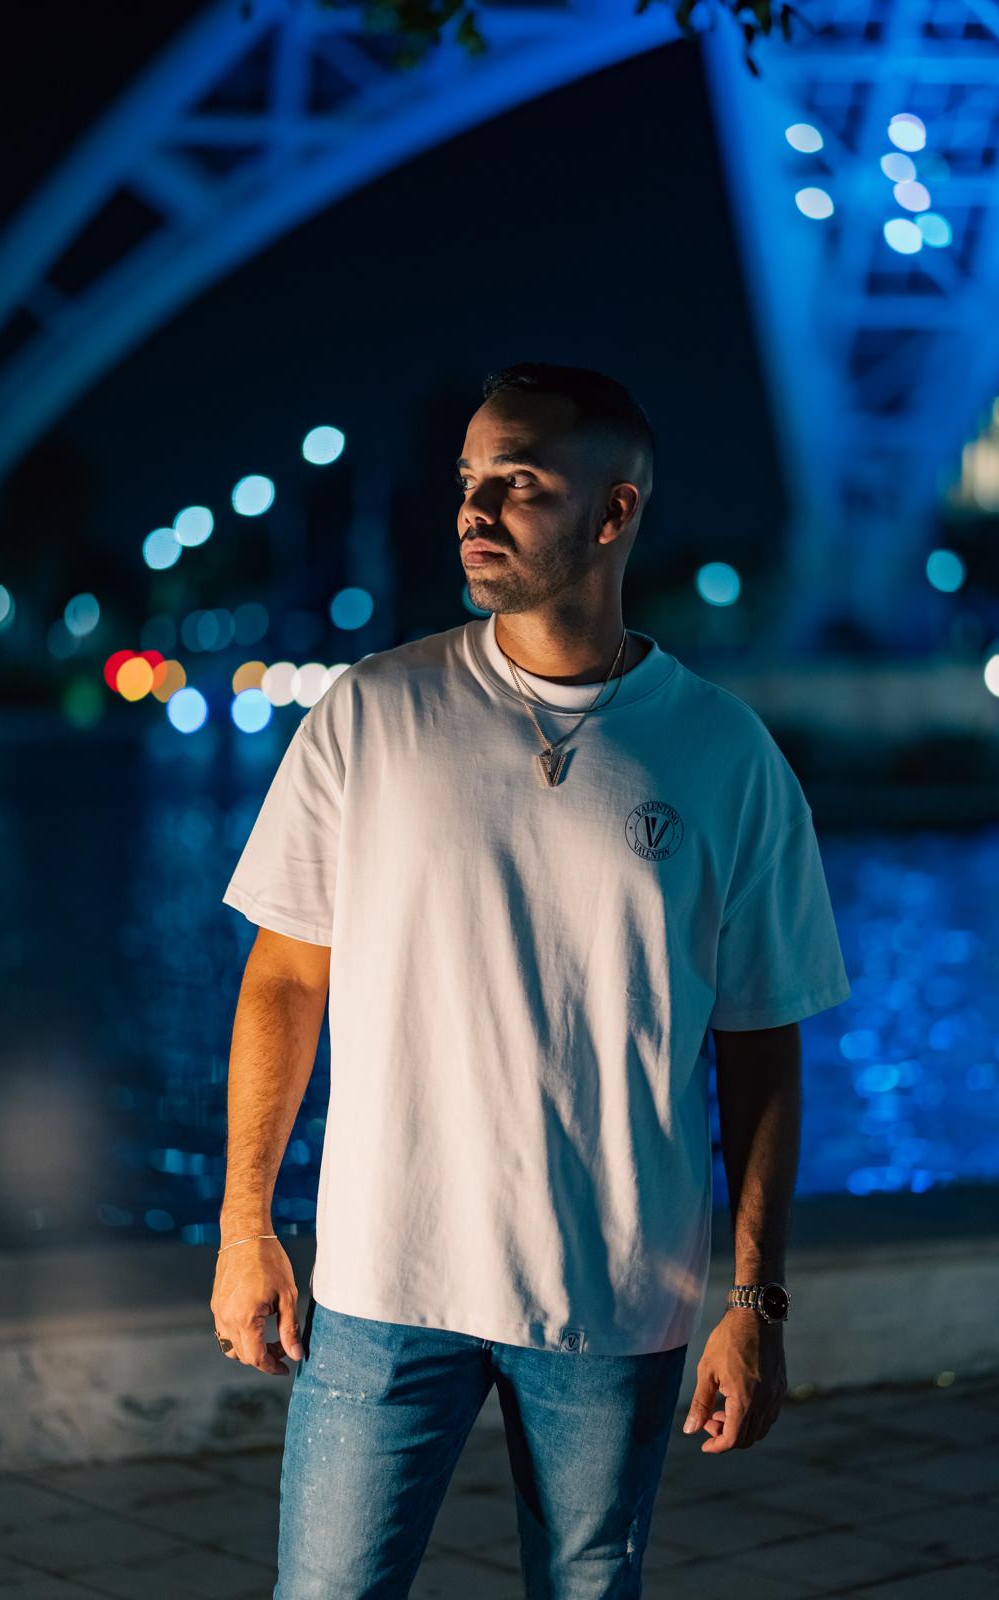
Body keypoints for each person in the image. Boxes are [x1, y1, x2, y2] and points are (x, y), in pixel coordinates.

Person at [211, 361, 852, 1598]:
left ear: (613, 513)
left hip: (614, 1303)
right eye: (467, 479)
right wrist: (246, 1231)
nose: (473, 509)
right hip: (381, 1286)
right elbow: (286, 979)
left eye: (518, 482)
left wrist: (756, 1303)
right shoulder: (372, 712)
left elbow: (760, 1041)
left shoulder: (725, 752)